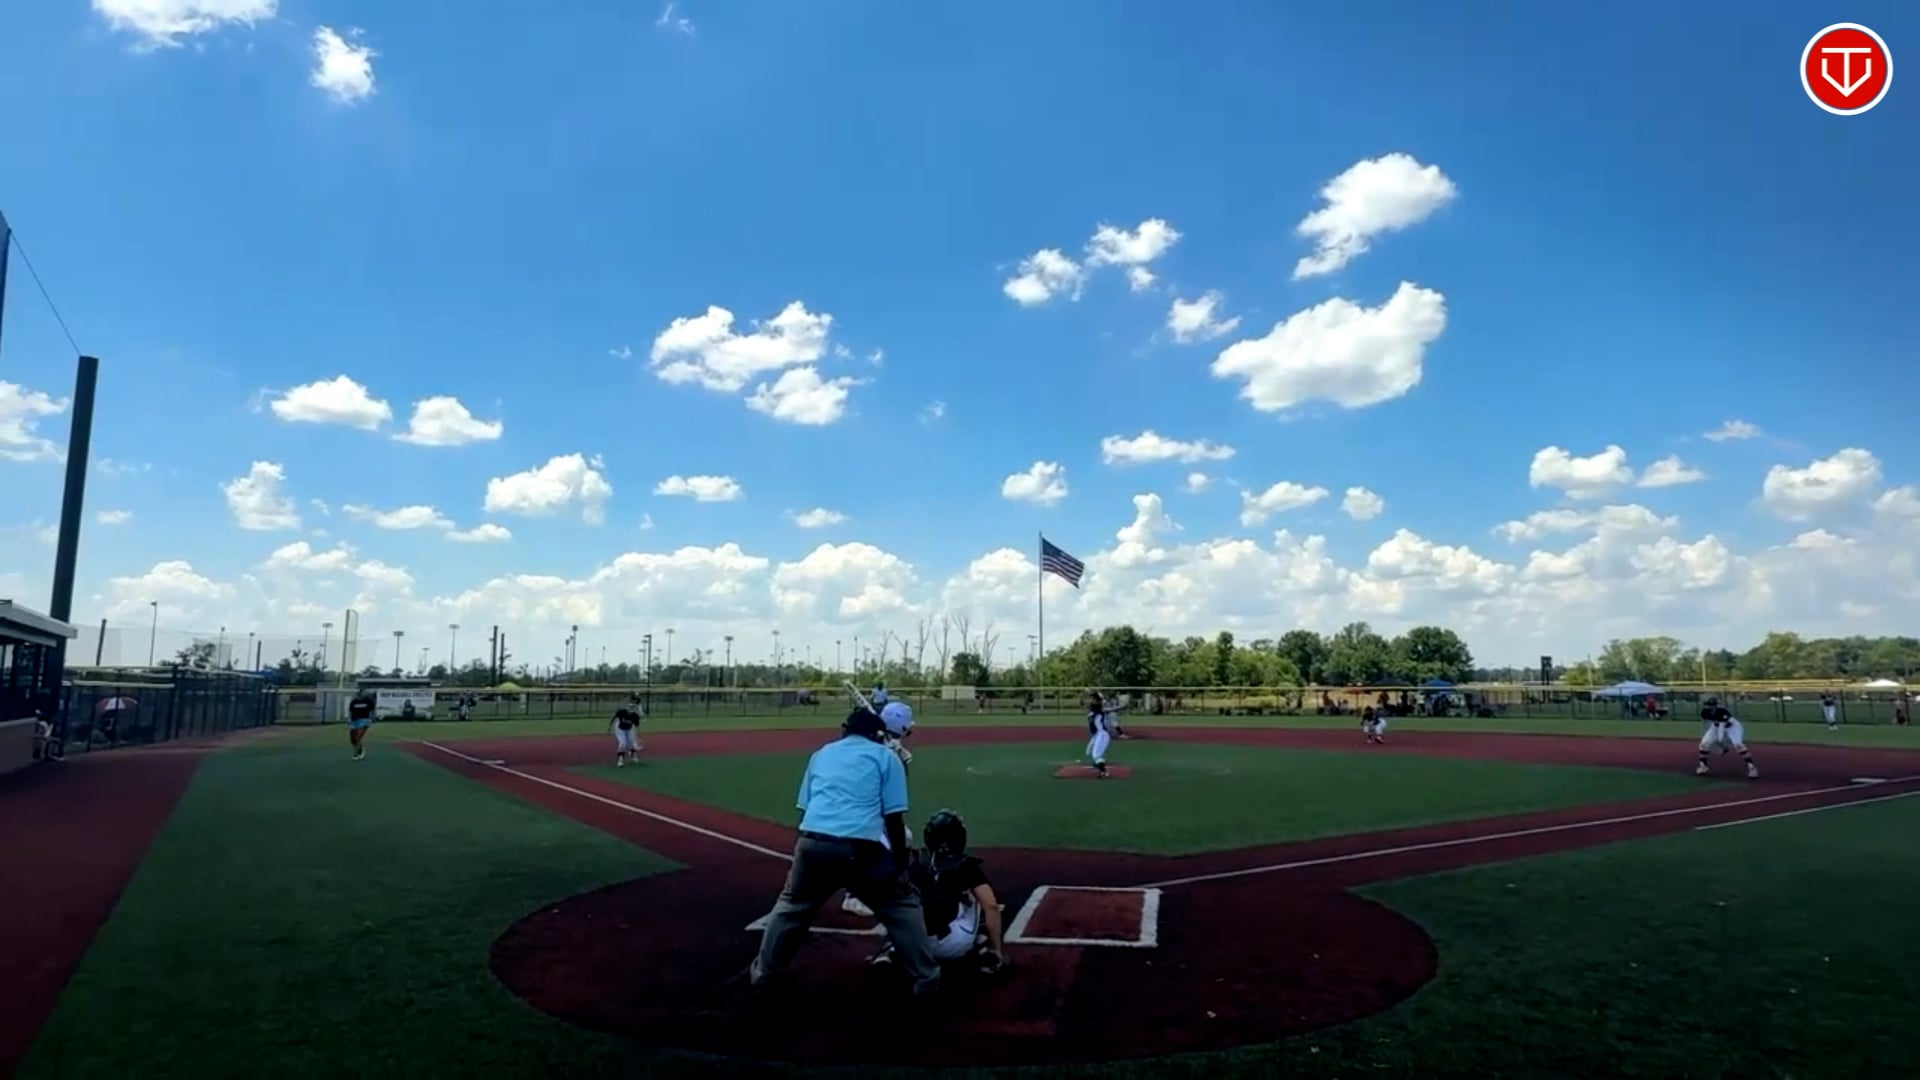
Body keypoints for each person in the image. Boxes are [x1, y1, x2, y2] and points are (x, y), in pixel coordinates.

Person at [751, 707, 941, 1000]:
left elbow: (806, 807)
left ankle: (764, 975)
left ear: (845, 729)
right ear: (877, 734)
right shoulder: (885, 757)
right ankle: (926, 978)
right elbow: (893, 817)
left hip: (812, 842)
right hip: (860, 847)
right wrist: (899, 862)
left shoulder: (821, 754)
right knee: (901, 904)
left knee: (790, 907)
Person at [871, 809, 1006, 974]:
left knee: (902, 903)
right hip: (952, 946)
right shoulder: (966, 866)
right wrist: (996, 948)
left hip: (914, 943)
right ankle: (985, 948)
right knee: (975, 898)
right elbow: (991, 906)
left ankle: (890, 949)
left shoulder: (915, 860)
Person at [843, 701, 916, 919]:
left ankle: (887, 886)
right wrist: (890, 754)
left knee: (904, 837)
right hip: (856, 814)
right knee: (882, 843)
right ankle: (853, 896)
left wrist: (897, 757)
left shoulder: (890, 748)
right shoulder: (874, 746)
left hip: (869, 812)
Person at [1697, 696, 1759, 779]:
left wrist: (1722, 745)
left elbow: (1721, 731)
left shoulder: (1722, 712)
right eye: (1709, 705)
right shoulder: (1705, 712)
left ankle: (1752, 768)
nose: (1710, 707)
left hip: (1733, 727)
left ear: (1716, 706)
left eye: (1713, 705)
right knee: (1703, 744)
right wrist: (1706, 736)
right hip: (1715, 727)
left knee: (1738, 745)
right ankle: (1703, 766)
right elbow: (1705, 723)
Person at [1084, 691, 1116, 779]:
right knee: (1089, 752)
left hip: (1102, 734)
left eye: (1093, 699)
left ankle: (1104, 772)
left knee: (1096, 755)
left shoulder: (1098, 709)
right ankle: (1098, 763)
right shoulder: (1092, 710)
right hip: (1097, 735)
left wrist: (1099, 697)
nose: (1090, 700)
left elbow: (1100, 704)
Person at [611, 701, 644, 767]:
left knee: (631, 743)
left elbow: (636, 726)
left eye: (633, 707)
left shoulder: (635, 716)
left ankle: (633, 755)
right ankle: (620, 760)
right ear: (627, 707)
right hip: (620, 729)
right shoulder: (622, 712)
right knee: (623, 743)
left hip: (629, 729)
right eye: (630, 706)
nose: (631, 708)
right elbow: (614, 717)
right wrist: (610, 727)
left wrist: (637, 736)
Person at [346, 689, 376, 762]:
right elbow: (350, 711)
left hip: (364, 720)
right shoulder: (354, 702)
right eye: (363, 692)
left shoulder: (368, 701)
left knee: (358, 737)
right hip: (354, 721)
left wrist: (372, 719)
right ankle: (361, 750)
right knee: (353, 740)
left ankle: (355, 755)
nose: (365, 694)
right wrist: (349, 719)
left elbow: (372, 711)